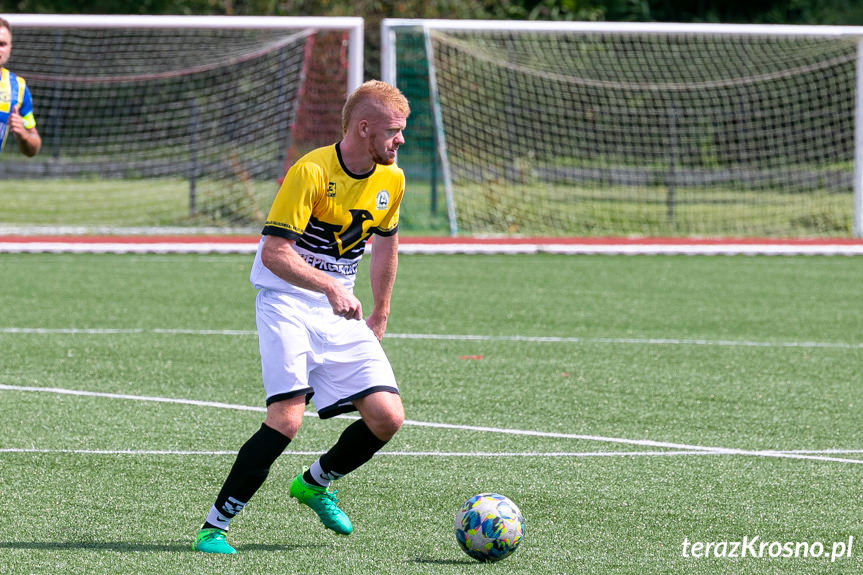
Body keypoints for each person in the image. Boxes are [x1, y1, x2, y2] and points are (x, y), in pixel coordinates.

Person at [194, 80, 410, 555]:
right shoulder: (310, 171)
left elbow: (386, 248)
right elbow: (274, 254)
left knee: (387, 417)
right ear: (364, 127)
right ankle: (214, 527)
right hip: (286, 302)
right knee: (287, 418)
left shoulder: (391, 179)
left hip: (340, 308)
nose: (400, 141)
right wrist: (331, 285)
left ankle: (315, 482)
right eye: (394, 131)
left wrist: (381, 311)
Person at [0, 17, 41, 157]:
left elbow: (33, 147)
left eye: (2, 44)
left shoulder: (17, 87)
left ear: (10, 47)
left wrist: (23, 133)